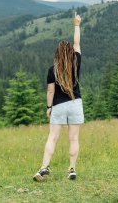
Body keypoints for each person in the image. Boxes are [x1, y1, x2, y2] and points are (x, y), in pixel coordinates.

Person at [33, 13, 84, 181]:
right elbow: (77, 42)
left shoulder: (52, 69)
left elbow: (50, 92)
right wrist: (76, 24)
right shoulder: (76, 62)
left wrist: (49, 108)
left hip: (59, 106)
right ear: (70, 52)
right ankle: (72, 170)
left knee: (52, 138)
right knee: (74, 138)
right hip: (75, 103)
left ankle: (44, 167)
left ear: (57, 54)